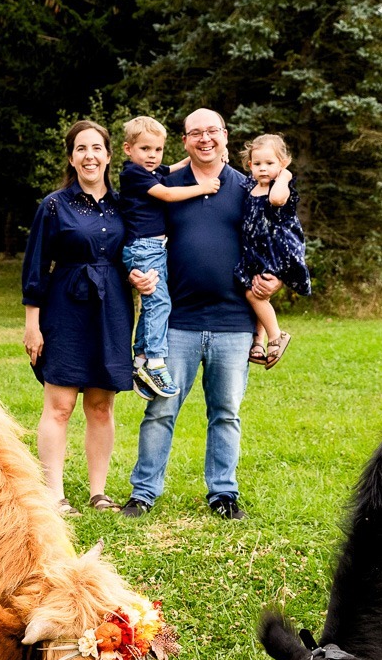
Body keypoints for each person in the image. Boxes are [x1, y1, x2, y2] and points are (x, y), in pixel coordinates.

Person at [121, 108, 282, 521]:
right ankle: (144, 492)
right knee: (160, 410)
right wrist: (135, 273)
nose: (205, 138)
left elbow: (272, 241)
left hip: (233, 322)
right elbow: (134, 233)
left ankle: (223, 493)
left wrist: (275, 280)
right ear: (185, 140)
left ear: (225, 135)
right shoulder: (164, 184)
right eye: (196, 133)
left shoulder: (248, 188)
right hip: (177, 322)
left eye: (212, 131)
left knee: (226, 413)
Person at [22, 120, 145, 516]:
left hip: (112, 309)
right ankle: (53, 495)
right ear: (71, 158)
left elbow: (139, 250)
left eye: (96, 148)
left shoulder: (125, 205)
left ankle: (98, 493)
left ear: (109, 156)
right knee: (60, 405)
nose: (89, 156)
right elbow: (36, 266)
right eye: (81, 149)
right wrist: (32, 323)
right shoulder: (54, 205)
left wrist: (140, 275)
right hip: (66, 308)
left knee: (101, 405)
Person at [118, 115, 222, 400]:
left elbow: (174, 167)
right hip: (143, 247)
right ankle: (155, 362)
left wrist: (201, 154)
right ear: (128, 149)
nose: (152, 155)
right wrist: (203, 188)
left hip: (154, 247)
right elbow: (165, 193)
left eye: (158, 149)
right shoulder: (134, 174)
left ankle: (140, 360)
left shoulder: (150, 169)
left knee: (154, 304)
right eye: (145, 149)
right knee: (159, 303)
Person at [237, 133, 311, 369]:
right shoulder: (250, 187)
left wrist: (284, 176)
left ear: (282, 163)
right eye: (257, 163)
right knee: (258, 294)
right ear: (250, 165)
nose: (263, 168)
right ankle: (257, 341)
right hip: (255, 251)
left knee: (254, 295)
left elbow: (277, 200)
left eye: (270, 163)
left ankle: (276, 335)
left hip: (275, 251)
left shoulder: (281, 187)